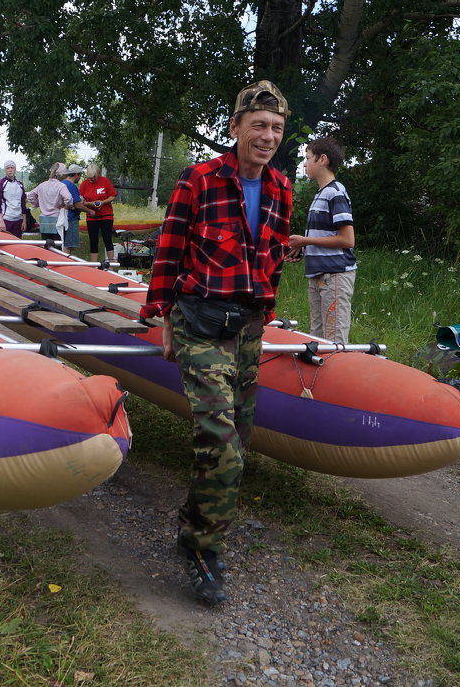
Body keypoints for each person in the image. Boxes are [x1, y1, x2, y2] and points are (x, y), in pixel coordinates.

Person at [140, 80, 293, 604]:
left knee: (238, 440)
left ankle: (194, 521)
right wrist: (162, 317)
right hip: (200, 321)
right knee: (222, 443)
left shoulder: (282, 187)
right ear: (235, 129)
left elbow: (271, 256)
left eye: (276, 128)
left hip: (248, 326)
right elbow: (170, 248)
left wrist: (267, 314)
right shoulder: (199, 179)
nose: (267, 136)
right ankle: (205, 549)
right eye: (258, 126)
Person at [287, 136, 357, 344]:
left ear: (323, 159)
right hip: (318, 275)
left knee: (334, 341)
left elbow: (347, 239)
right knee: (315, 339)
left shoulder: (336, 192)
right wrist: (302, 248)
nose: (304, 163)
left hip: (334, 276)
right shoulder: (321, 194)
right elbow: (324, 236)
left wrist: (305, 241)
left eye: (308, 158)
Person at [26, 162, 73, 248]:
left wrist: (38, 204)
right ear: (61, 174)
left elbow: (30, 196)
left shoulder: (42, 185)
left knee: (46, 245)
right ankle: (56, 261)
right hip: (57, 219)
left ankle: (47, 260)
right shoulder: (61, 186)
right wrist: (65, 205)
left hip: (44, 220)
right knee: (57, 245)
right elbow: (69, 198)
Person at [80, 162, 117, 262]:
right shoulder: (84, 184)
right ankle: (93, 265)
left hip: (106, 215)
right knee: (93, 240)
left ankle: (111, 264)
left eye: (93, 178)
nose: (91, 180)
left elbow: (112, 196)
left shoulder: (105, 181)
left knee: (107, 238)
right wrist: (90, 204)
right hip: (91, 216)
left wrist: (102, 202)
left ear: (98, 174)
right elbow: (81, 201)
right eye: (89, 178)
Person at [0, 159, 28, 236]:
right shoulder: (0, 184)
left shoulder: (20, 185)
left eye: (12, 168)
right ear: (5, 170)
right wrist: (1, 221)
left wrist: (24, 221)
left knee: (16, 245)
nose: (10, 170)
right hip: (5, 219)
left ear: (15, 169)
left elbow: (23, 204)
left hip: (18, 220)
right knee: (3, 244)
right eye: (8, 168)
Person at [59, 164, 91, 252]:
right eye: (80, 175)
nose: (80, 177)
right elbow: (77, 205)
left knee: (62, 243)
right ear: (76, 174)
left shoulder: (61, 183)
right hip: (71, 218)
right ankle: (67, 263)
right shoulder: (71, 186)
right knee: (68, 245)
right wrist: (90, 211)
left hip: (61, 218)